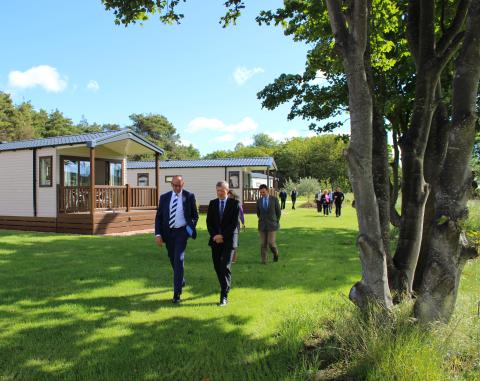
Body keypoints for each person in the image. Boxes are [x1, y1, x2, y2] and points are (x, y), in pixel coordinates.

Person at [155, 175, 199, 304]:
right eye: (174, 185)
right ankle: (181, 280)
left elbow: (195, 215)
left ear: (183, 184)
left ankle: (177, 293)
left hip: (181, 232)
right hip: (168, 233)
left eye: (178, 185)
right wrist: (158, 234)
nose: (176, 187)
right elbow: (159, 217)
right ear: (171, 185)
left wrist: (189, 229)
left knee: (179, 259)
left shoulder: (189, 196)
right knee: (172, 258)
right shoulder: (164, 198)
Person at [207, 181, 240, 306]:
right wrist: (215, 235)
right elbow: (209, 222)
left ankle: (224, 295)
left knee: (225, 266)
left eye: (221, 190)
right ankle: (225, 286)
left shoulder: (235, 204)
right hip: (215, 240)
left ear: (227, 190)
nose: (219, 193)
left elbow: (233, 224)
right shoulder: (212, 204)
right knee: (217, 266)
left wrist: (223, 236)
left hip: (229, 240)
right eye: (217, 190)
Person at [256, 184, 281, 264]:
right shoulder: (259, 201)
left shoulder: (274, 199)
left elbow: (278, 212)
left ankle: (276, 254)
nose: (262, 194)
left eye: (263, 192)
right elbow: (258, 213)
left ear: (267, 190)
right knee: (263, 243)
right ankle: (264, 260)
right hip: (262, 225)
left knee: (271, 242)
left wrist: (275, 221)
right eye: (261, 193)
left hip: (272, 225)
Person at [227, 190, 245, 263]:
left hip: (236, 224)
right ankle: (227, 257)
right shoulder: (226, 203)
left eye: (230, 195)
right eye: (228, 195)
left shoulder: (238, 204)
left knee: (234, 242)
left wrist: (243, 223)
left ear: (233, 196)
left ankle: (233, 259)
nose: (229, 197)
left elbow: (241, 215)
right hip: (227, 224)